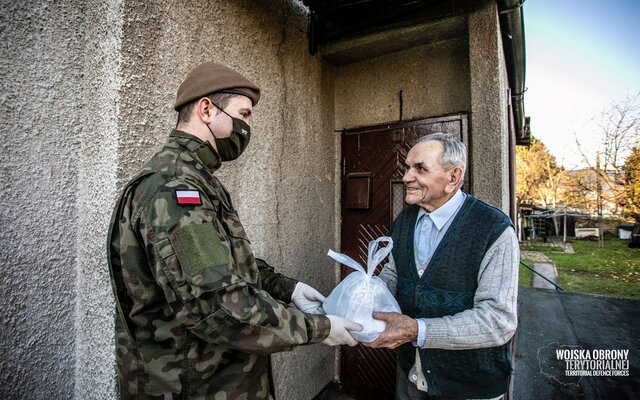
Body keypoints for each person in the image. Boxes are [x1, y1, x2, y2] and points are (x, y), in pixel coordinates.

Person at [107, 61, 361, 399]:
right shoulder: (176, 189)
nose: (247, 126)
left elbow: (219, 265)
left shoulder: (194, 180)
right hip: (194, 387)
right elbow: (220, 306)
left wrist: (287, 288)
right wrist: (320, 328)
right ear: (207, 109)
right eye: (243, 113)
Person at [367, 133, 519, 399]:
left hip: (468, 387)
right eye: (407, 167)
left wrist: (418, 330)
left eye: (420, 168)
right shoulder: (405, 219)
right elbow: (393, 272)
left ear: (453, 178)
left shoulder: (493, 229)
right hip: (410, 375)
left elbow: (498, 321)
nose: (406, 177)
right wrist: (365, 296)